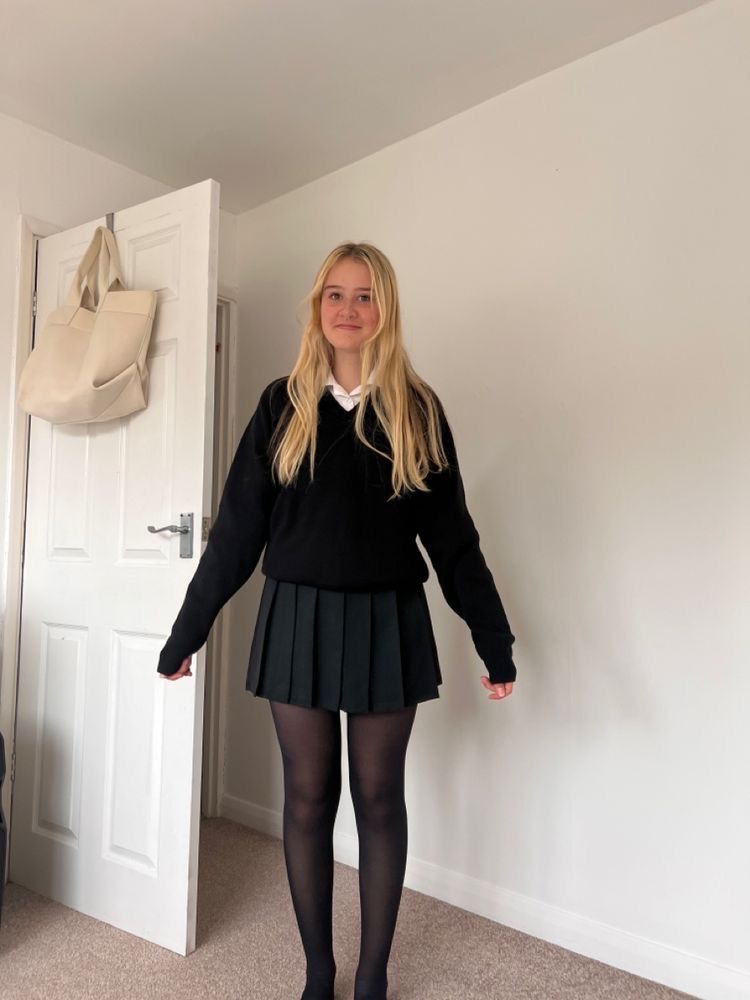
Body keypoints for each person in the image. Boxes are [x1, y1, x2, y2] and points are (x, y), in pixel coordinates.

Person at [156, 242, 517, 1000]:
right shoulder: (280, 404)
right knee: (308, 799)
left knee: (380, 799)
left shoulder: (417, 408)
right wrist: (187, 631)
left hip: (390, 619)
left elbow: (454, 539)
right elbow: (237, 533)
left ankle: (372, 977)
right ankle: (318, 974)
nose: (349, 309)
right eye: (335, 294)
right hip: (296, 618)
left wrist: (494, 641)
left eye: (365, 295)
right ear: (317, 306)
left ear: (386, 309)